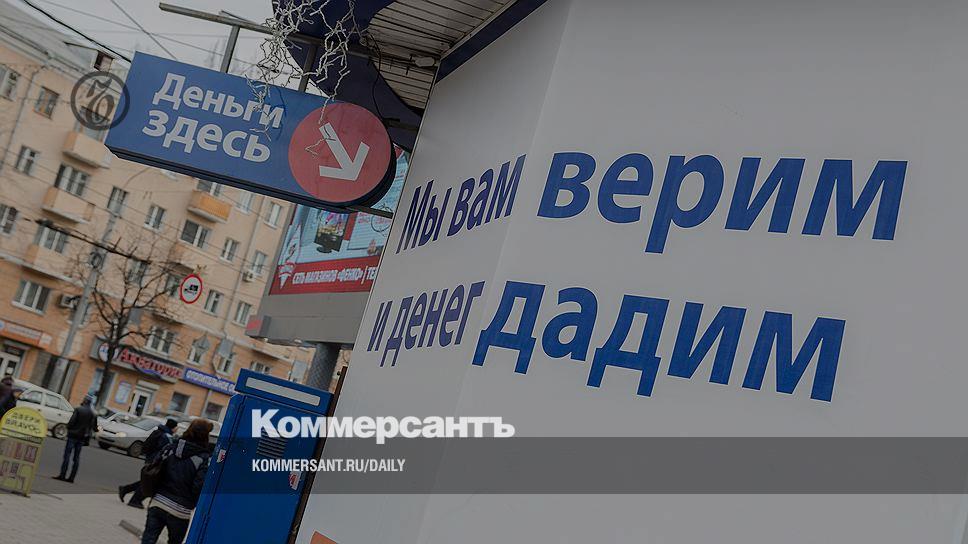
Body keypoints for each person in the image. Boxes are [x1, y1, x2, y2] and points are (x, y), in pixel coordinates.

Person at [141, 419, 213, 544]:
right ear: (205, 435)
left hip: (158, 502)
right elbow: (198, 486)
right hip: (180, 511)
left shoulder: (171, 447)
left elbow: (155, 467)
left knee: (148, 539)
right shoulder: (203, 458)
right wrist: (191, 504)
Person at [119, 418, 178, 508]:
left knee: (148, 479)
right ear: (173, 427)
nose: (177, 429)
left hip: (150, 459)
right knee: (150, 481)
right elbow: (164, 449)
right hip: (156, 461)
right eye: (176, 427)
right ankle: (134, 499)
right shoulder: (166, 436)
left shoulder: (159, 431)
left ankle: (126, 489)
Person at [52, 396, 98, 483]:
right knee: (76, 458)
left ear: (84, 401)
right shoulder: (93, 413)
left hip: (73, 435)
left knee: (67, 455)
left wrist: (69, 428)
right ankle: (72, 478)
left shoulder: (78, 409)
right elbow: (95, 428)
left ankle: (62, 475)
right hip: (82, 438)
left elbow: (71, 422)